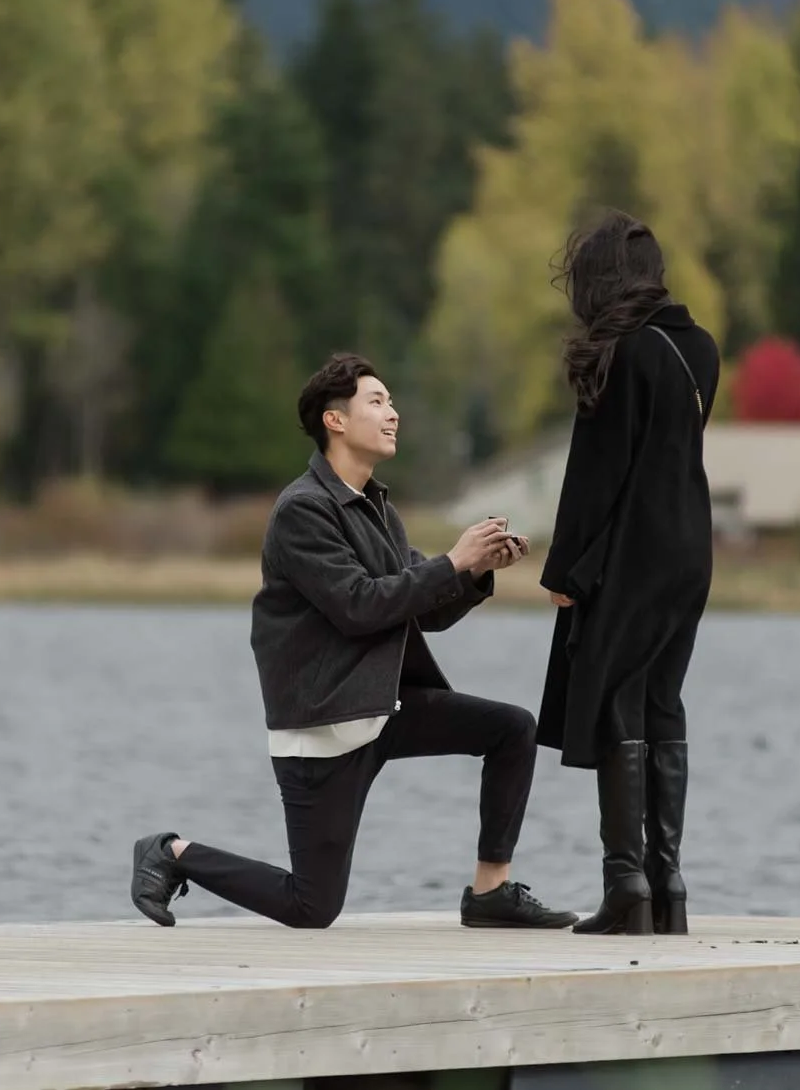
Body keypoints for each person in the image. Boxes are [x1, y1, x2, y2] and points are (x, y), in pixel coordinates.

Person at [130, 353, 579, 931]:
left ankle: (489, 893)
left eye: (391, 402)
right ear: (334, 420)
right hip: (325, 723)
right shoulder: (303, 511)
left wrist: (474, 571)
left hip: (379, 705)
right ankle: (169, 853)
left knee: (512, 728)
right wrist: (452, 561)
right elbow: (359, 607)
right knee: (311, 907)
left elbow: (423, 612)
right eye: (377, 401)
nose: (393, 414)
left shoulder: (377, 510)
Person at [537, 210, 720, 936]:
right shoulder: (700, 348)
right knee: (662, 699)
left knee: (617, 699)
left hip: (634, 553)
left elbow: (597, 475)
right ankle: (669, 881)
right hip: (691, 546)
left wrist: (565, 570)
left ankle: (626, 887)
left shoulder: (619, 353)